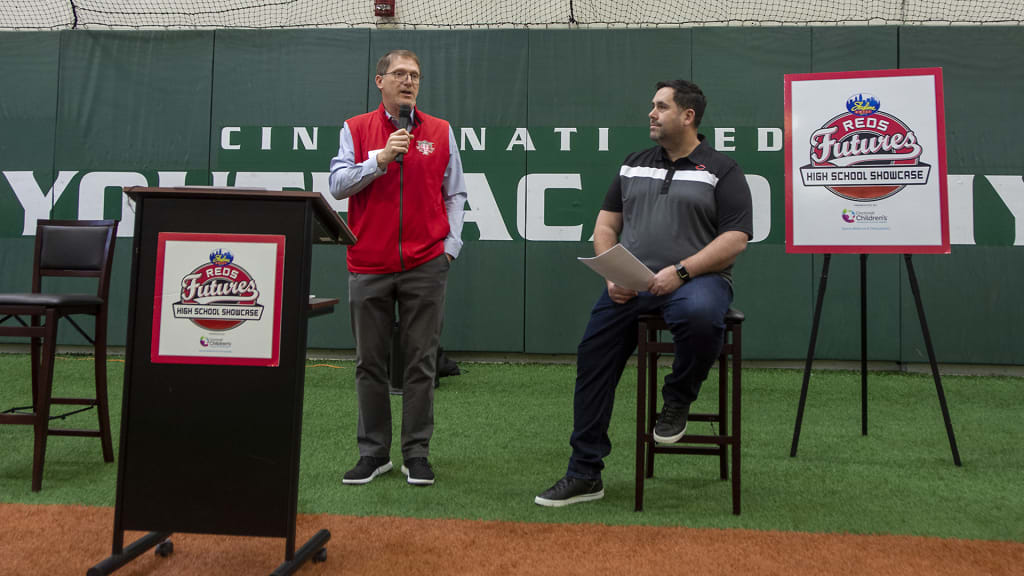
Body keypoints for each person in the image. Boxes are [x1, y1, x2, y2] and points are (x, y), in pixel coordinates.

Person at [535, 80, 753, 507]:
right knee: (593, 355)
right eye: (652, 106)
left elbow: (736, 239)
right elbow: (604, 227)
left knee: (699, 316)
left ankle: (677, 398)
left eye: (660, 107)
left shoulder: (721, 170)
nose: (651, 113)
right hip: (632, 284)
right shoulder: (633, 164)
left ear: (687, 116)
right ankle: (584, 473)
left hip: (697, 281)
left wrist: (682, 271)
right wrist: (610, 273)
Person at [329, 49, 467, 487]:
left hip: (427, 263)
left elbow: (456, 194)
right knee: (369, 363)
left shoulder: (441, 132)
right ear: (380, 81)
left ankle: (416, 454)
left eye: (416, 76)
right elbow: (336, 185)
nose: (409, 81)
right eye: (400, 74)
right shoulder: (355, 129)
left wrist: (450, 246)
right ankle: (373, 454)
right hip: (368, 263)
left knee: (420, 362)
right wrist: (380, 159)